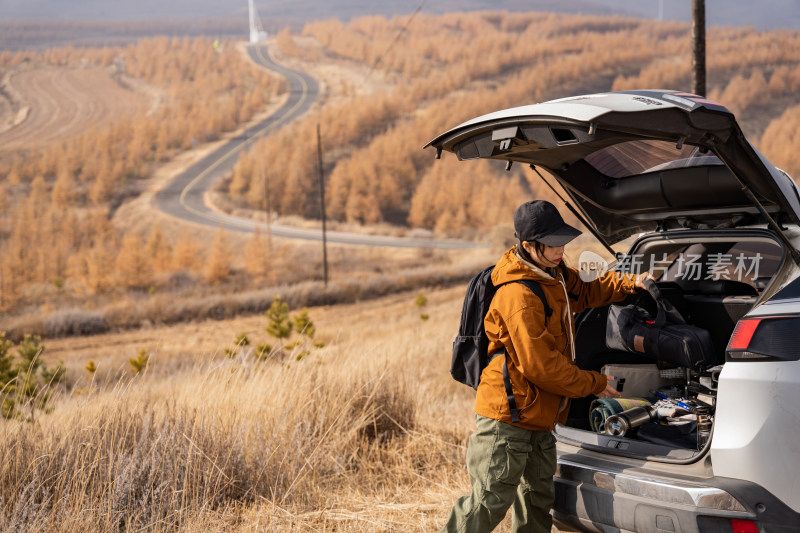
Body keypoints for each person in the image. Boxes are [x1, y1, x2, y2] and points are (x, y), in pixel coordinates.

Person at [440, 200, 651, 533]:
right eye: (553, 243)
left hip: (539, 413)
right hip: (507, 418)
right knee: (490, 500)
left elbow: (583, 291)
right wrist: (594, 383)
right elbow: (541, 366)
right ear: (528, 246)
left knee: (538, 498)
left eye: (563, 241)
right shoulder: (518, 296)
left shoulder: (553, 274)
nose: (561, 249)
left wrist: (628, 284)